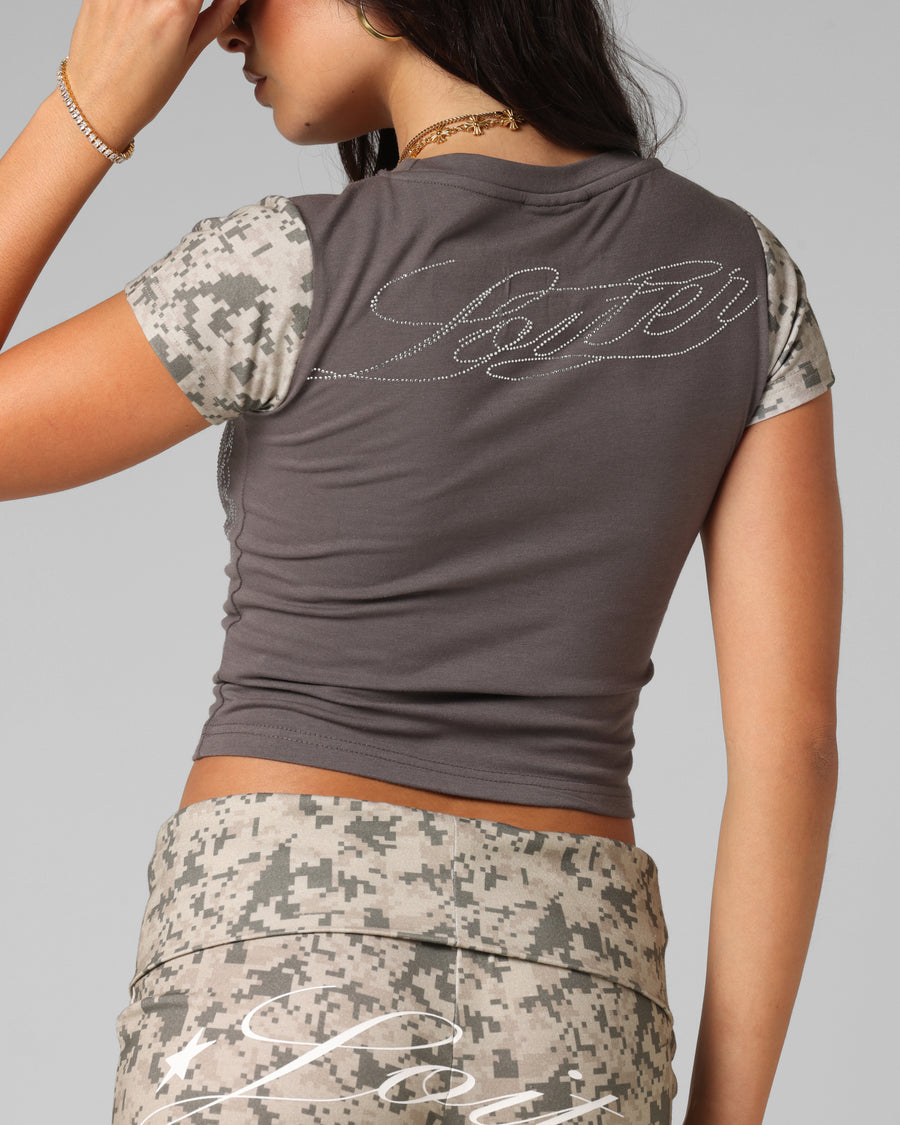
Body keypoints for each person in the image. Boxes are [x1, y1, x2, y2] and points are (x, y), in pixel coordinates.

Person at [0, 1, 842, 1122]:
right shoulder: (746, 282)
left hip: (277, 962)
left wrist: (87, 109)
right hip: (573, 995)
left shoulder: (284, 267)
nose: (230, 30)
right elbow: (793, 751)